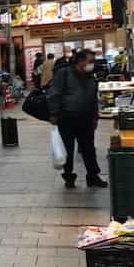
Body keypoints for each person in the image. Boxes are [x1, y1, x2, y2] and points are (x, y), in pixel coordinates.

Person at [49, 49, 107, 190]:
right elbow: (55, 94)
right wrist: (54, 113)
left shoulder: (90, 77)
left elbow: (93, 98)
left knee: (88, 148)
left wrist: (95, 116)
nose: (92, 64)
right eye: (90, 61)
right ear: (80, 61)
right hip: (66, 118)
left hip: (86, 118)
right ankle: (69, 177)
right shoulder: (64, 73)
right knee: (68, 149)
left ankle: (92, 176)